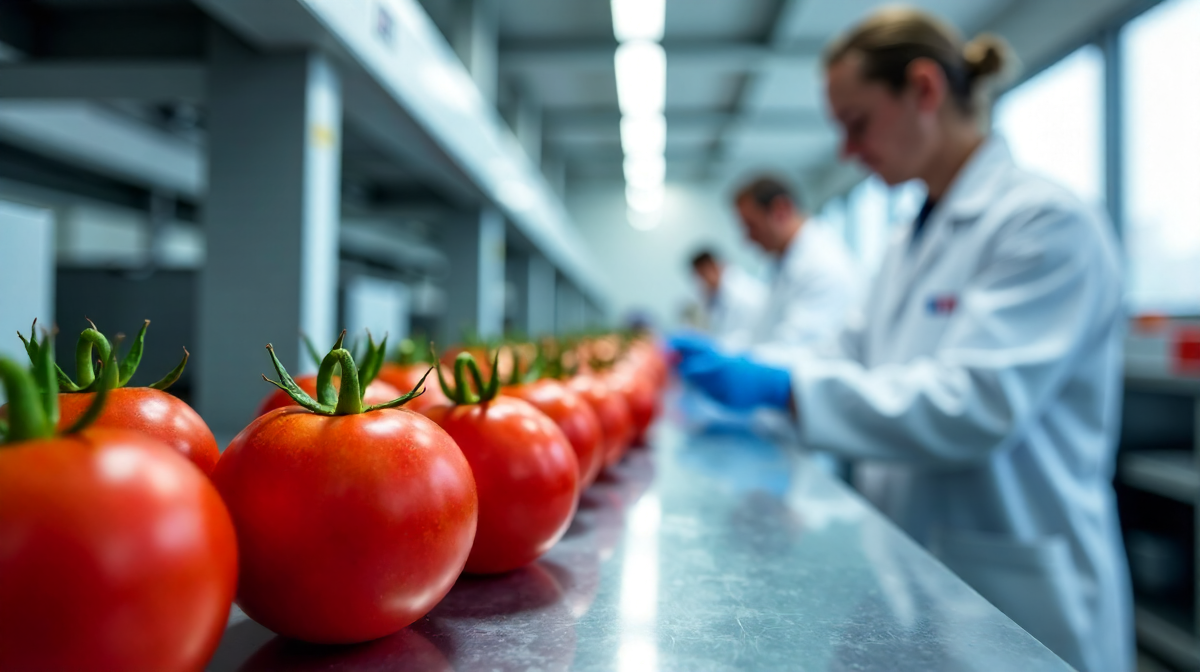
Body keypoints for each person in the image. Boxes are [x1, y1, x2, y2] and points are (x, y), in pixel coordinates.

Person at [672, 8, 1132, 672]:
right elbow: (845, 354)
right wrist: (752, 370)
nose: (846, 151)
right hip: (914, 571)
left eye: (856, 123)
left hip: (1014, 583)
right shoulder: (905, 241)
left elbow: (973, 404)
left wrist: (785, 386)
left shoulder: (1044, 222)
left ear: (924, 89)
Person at [733, 177, 860, 361]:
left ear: (781, 210)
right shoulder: (784, 263)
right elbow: (761, 333)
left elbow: (798, 353)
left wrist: (737, 363)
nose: (748, 239)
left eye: (751, 226)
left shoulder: (821, 264)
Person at [689, 249, 767, 350]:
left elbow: (746, 336)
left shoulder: (744, 294)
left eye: (702, 276)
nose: (700, 283)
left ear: (713, 268)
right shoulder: (715, 299)